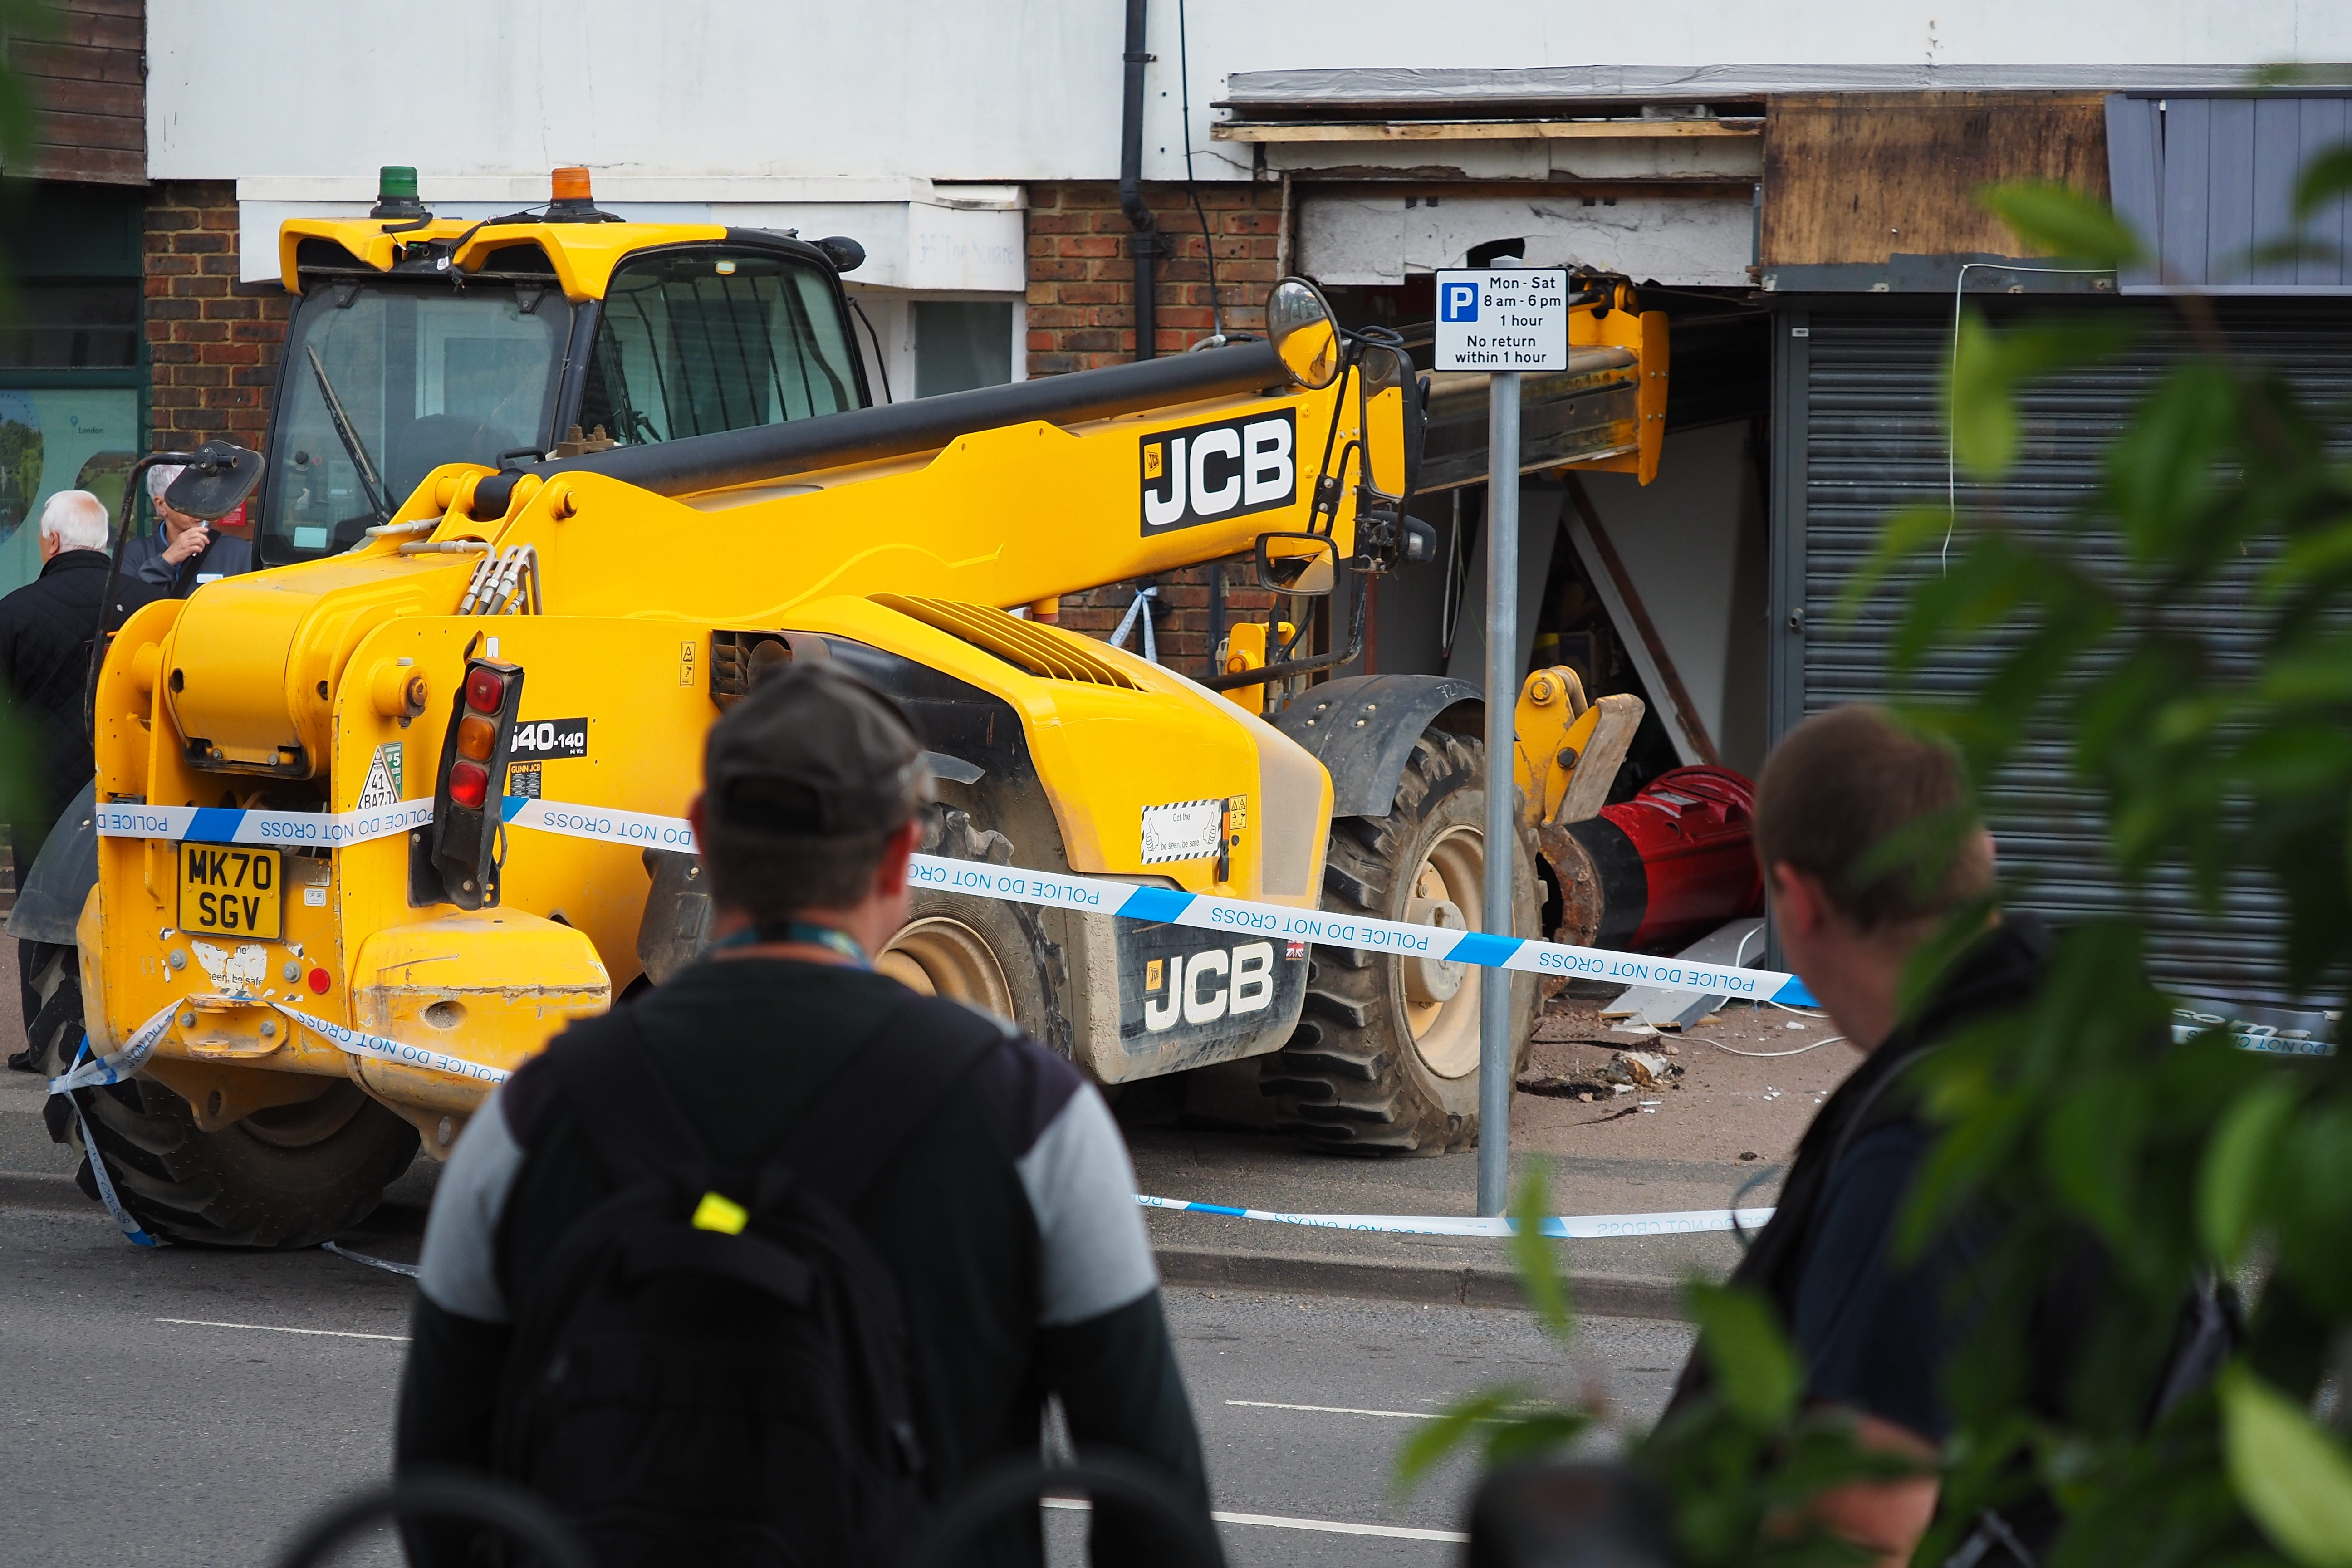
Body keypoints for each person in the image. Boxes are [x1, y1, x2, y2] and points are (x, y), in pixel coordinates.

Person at [396, 662, 1216, 1567]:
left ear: (703, 835)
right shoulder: (1034, 1121)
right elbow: (1155, 1496)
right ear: (905, 856)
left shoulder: (530, 1119)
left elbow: (439, 1485)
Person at [1662, 704, 2044, 1565]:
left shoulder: (1922, 1155)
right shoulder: (2076, 1061)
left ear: (1796, 902)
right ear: (1978, 858)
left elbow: (1861, 1530)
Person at [1, 490, 153, 1063]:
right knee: (123, 911)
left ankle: (43, 1043)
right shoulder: (147, 607)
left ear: (53, 541)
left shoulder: (16, 612)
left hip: (43, 796)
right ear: (105, 541)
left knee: (42, 918)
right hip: (129, 791)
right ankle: (122, 1033)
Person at [116, 462, 251, 598]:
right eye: (188, 498)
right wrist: (167, 561)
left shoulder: (239, 552)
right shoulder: (135, 554)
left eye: (203, 495)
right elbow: (127, 607)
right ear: (161, 505)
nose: (200, 505)